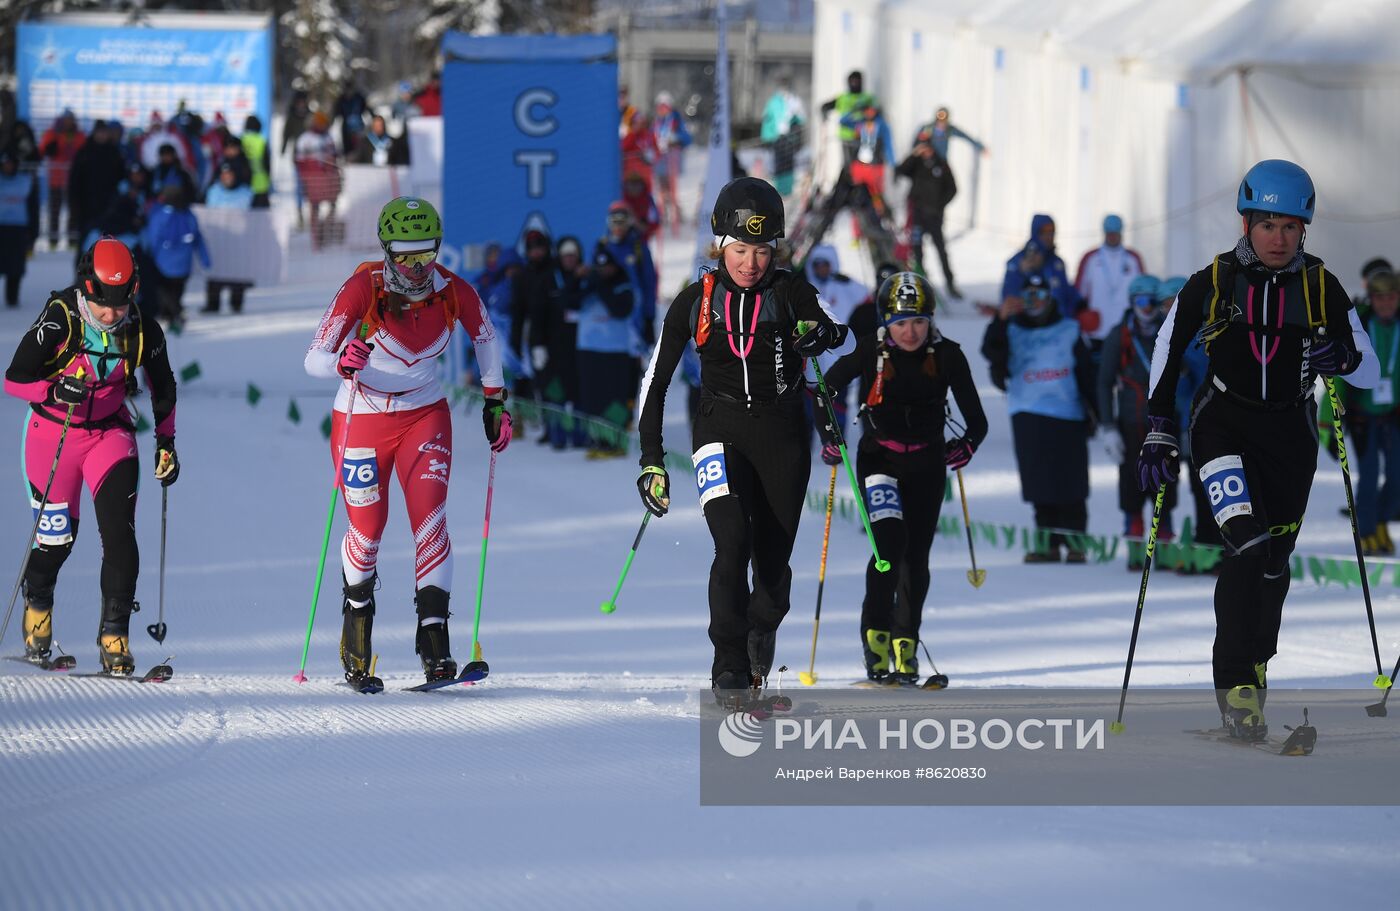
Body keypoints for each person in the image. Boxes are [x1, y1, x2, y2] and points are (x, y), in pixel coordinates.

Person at [1139, 159, 1378, 740]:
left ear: (1304, 230)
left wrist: (1339, 360)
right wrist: (1158, 424)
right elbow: (1168, 347)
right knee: (1245, 544)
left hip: (1290, 436)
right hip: (1221, 425)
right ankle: (1234, 686)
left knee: (1273, 562)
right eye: (1267, 225)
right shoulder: (1218, 278)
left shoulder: (1321, 283)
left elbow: (1366, 365)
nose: (1278, 238)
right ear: (1246, 223)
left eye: (1290, 227)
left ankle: (1255, 673)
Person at [635, 176, 853, 700]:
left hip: (781, 436)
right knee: (731, 544)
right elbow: (655, 382)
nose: (751, 263)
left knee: (773, 568)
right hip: (718, 430)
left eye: (762, 250)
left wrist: (818, 334)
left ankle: (762, 624)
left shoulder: (789, 290)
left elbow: (835, 325)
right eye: (740, 249)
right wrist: (651, 460)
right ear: (720, 245)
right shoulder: (693, 301)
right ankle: (728, 662)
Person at [304, 197, 509, 688]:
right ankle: (357, 627)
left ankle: (435, 641)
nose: (417, 268)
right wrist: (342, 361)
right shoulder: (363, 286)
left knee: (430, 520)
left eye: (426, 255)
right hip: (362, 418)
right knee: (368, 528)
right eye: (405, 256)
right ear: (387, 251)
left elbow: (486, 337)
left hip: (425, 415)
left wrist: (494, 400)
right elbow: (313, 357)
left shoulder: (451, 289)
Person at [3, 237, 179, 674]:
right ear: (86, 287)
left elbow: (164, 387)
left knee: (120, 536)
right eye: (103, 304)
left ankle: (114, 636)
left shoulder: (141, 328)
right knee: (56, 540)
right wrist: (53, 388)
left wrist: (166, 443)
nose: (111, 314)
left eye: (120, 304)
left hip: (109, 435)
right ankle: (38, 605)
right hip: (52, 433)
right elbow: (14, 378)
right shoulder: (61, 316)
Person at [817, 272, 986, 683]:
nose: (910, 332)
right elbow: (825, 387)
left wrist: (965, 446)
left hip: (927, 465)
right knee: (888, 545)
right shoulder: (872, 351)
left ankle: (905, 644)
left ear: (930, 321)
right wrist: (829, 435)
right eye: (900, 323)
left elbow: (977, 420)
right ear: (886, 322)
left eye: (918, 322)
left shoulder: (948, 355)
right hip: (879, 460)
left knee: (917, 557)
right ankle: (875, 642)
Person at [983, 271, 1096, 562]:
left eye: (1041, 295)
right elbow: (992, 353)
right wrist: (1001, 319)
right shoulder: (1012, 328)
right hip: (1028, 412)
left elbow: (1087, 372)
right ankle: (1047, 543)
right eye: (1028, 297)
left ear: (1050, 298)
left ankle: (1075, 543)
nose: (1035, 302)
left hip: (1066, 412)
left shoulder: (1069, 328)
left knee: (1071, 481)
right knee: (1038, 481)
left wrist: (1097, 413)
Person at [1098, 274, 1176, 569]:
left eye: (1152, 302)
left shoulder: (1167, 332)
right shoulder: (1120, 335)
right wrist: (1107, 426)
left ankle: (1165, 535)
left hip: (1164, 420)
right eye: (1141, 301)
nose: (1147, 308)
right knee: (1131, 479)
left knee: (1167, 479)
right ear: (1132, 303)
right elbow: (1104, 382)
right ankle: (1133, 535)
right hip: (1130, 420)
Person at [1344, 269, 1400, 555]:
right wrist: (1333, 416)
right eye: (1380, 298)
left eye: (1391, 297)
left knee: (1396, 474)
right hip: (1363, 415)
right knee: (1369, 474)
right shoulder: (1362, 326)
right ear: (1372, 299)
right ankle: (1366, 529)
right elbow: (1344, 370)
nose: (1386, 303)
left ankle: (1380, 520)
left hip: (1394, 415)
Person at [896, 130, 960, 298]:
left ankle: (950, 283)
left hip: (934, 216)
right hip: (917, 215)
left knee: (941, 249)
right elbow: (901, 171)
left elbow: (952, 189)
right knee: (917, 251)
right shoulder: (916, 163)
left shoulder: (941, 163)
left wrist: (939, 205)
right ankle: (920, 283)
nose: (925, 150)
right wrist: (913, 155)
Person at [141, 184, 210, 329]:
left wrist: (147, 257)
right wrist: (205, 259)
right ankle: (173, 316)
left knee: (164, 293)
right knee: (177, 292)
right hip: (184, 265)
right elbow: (198, 239)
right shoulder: (189, 215)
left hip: (162, 265)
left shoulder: (159, 215)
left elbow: (152, 238)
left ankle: (175, 314)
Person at [1075, 214, 1145, 346]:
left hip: (1126, 330)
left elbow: (1143, 290)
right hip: (1097, 331)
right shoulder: (1090, 258)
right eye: (1109, 233)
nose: (1112, 236)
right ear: (1104, 232)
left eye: (1115, 233)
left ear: (1121, 232)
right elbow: (1079, 294)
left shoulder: (1133, 259)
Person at [1001, 214, 1081, 318]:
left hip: (1060, 326)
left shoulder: (1057, 263)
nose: (1049, 236)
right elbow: (1009, 299)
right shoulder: (1018, 262)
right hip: (1031, 328)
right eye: (1043, 232)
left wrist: (1080, 304)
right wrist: (1024, 273)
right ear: (1035, 233)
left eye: (1052, 231)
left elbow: (1065, 293)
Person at [66, 120, 127, 254]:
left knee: (107, 246)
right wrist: (74, 205)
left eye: (104, 133)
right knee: (85, 245)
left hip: (109, 208)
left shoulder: (114, 153)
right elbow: (74, 182)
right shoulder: (84, 153)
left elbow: (122, 178)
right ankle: (82, 273)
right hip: (86, 208)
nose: (102, 136)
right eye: (99, 133)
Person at [202, 164, 254, 315]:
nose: (227, 178)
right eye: (224, 175)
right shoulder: (213, 191)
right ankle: (213, 303)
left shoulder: (246, 192)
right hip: (218, 240)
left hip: (238, 241)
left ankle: (236, 302)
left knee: (237, 272)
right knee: (215, 271)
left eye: (230, 174)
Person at [0, 151, 40, 308]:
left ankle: (12, 299)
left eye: (11, 164)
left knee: (15, 268)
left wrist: (33, 232)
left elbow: (33, 208)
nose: (8, 167)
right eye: (5, 164)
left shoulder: (25, 182)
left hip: (18, 229)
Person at [39, 111, 84, 248]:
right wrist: (56, 136)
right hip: (56, 179)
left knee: (74, 209)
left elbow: (83, 152)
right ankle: (53, 240)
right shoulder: (52, 133)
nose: (68, 123)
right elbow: (44, 150)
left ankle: (72, 240)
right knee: (54, 210)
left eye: (70, 120)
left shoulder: (79, 135)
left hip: (74, 180)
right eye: (65, 120)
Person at [651, 92, 691, 231]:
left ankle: (676, 218)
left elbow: (687, 138)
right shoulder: (656, 121)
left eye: (665, 107)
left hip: (672, 160)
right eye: (660, 107)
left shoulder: (676, 120)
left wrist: (676, 138)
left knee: (672, 191)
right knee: (661, 191)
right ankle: (663, 217)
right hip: (659, 161)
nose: (662, 110)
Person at [819, 71, 875, 167]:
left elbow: (875, 112)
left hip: (864, 136)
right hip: (847, 137)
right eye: (852, 81)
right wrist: (824, 112)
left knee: (863, 163)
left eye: (856, 81)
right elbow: (826, 106)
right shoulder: (843, 98)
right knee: (848, 165)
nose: (854, 84)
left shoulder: (867, 98)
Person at [240, 115, 272, 208]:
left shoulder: (242, 140)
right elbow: (267, 164)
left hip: (243, 184)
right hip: (261, 184)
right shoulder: (261, 141)